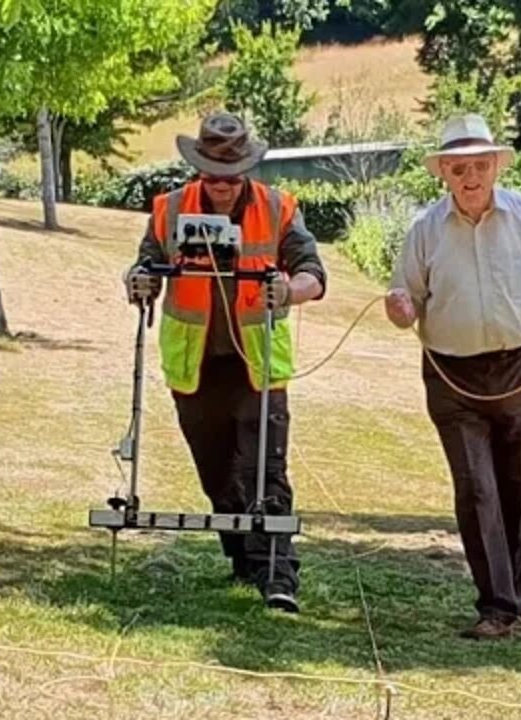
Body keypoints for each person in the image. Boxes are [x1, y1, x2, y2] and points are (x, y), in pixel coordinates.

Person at [384, 113, 521, 640]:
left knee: (518, 488)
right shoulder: (424, 229)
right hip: (451, 374)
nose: (469, 177)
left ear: (496, 166)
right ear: (444, 174)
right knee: (477, 488)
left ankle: (512, 600)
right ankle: (497, 606)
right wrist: (401, 308)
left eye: (479, 165)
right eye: (458, 169)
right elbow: (404, 296)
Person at [123, 112, 327, 613]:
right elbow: (144, 265)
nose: (219, 184)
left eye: (230, 175)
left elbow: (314, 274)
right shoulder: (169, 210)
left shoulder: (279, 208)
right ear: (198, 169)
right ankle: (243, 559)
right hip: (196, 368)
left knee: (266, 473)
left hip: (257, 366)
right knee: (218, 477)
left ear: (246, 171)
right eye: (210, 173)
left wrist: (289, 292)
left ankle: (278, 576)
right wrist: (138, 282)